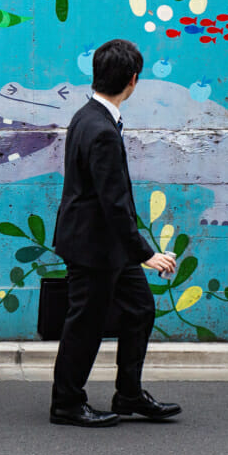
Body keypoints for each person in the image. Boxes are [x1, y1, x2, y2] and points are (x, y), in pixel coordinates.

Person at [49, 38, 181, 427]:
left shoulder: (88, 116)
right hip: (94, 246)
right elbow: (114, 201)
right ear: (133, 81)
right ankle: (67, 404)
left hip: (104, 244)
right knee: (85, 325)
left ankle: (128, 394)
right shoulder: (101, 128)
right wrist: (145, 253)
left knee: (140, 308)